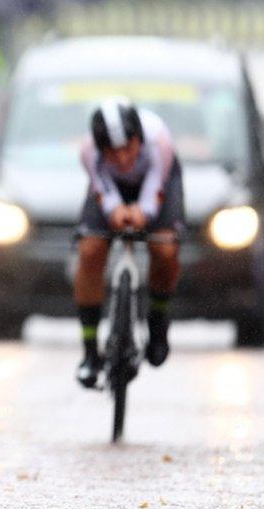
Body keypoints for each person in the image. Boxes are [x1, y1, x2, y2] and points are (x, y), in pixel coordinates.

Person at [74, 98, 184, 388]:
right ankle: (89, 352)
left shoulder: (159, 143)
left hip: (157, 180)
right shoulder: (88, 152)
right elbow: (101, 188)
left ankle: (158, 325)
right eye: (112, 152)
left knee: (164, 248)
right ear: (100, 148)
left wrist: (143, 212)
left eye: (128, 148)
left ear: (139, 139)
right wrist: (114, 209)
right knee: (90, 249)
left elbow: (154, 189)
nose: (122, 158)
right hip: (111, 185)